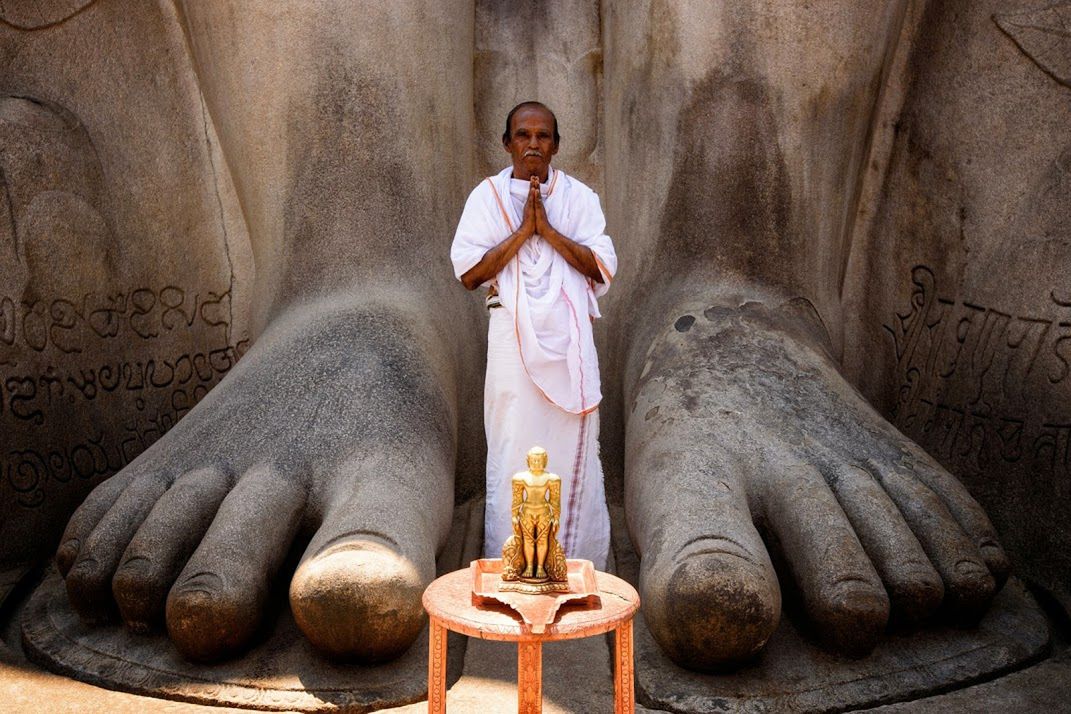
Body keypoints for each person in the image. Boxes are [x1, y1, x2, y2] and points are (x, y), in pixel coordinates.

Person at [451, 101, 617, 567]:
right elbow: (468, 274)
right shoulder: (486, 198)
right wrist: (524, 231)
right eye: (523, 135)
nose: (533, 144)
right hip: (510, 336)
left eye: (543, 136)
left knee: (569, 448)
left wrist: (549, 231)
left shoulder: (580, 198)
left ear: (556, 146)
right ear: (507, 144)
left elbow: (602, 267)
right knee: (511, 443)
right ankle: (514, 567)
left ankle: (575, 562)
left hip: (569, 342)